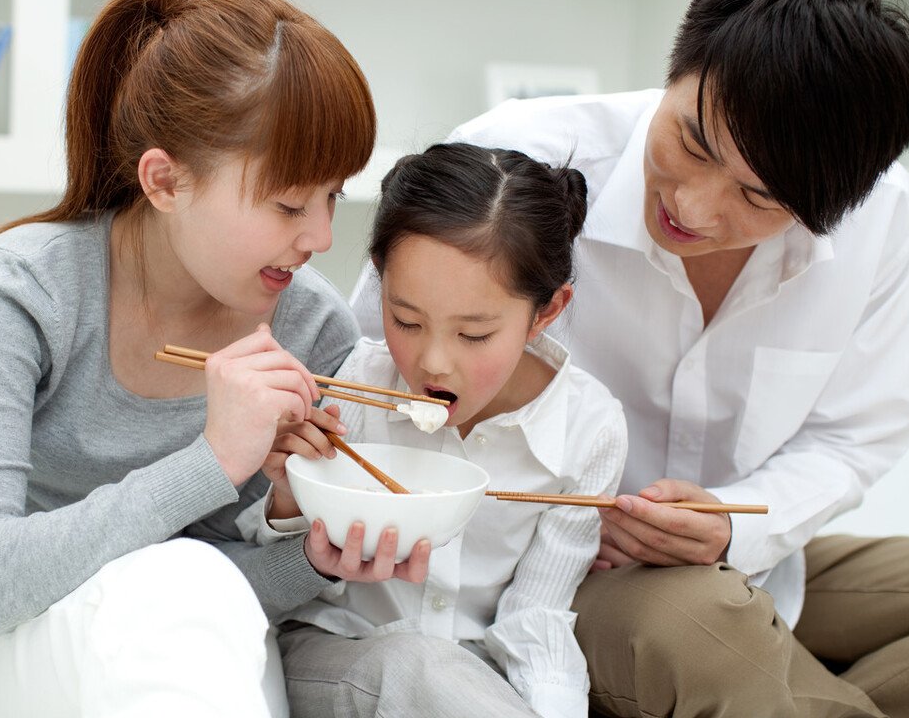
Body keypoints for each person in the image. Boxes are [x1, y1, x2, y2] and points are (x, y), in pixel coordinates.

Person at [349, 0, 909, 716]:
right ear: (676, 68)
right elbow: (376, 364)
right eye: (692, 141)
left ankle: (771, 686)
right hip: (547, 575)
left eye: (757, 196)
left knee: (733, 621)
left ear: (835, 201)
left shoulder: (885, 224)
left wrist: (731, 529)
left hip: (744, 570)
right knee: (707, 628)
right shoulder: (518, 169)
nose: (695, 206)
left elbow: (850, 440)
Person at [0, 0, 427, 718]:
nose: (319, 238)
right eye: (288, 203)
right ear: (164, 181)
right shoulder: (25, 290)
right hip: (0, 647)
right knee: (179, 583)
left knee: (188, 588)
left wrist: (310, 555)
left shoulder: (311, 331)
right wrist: (211, 462)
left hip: (175, 649)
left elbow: (227, 595)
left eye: (333, 198)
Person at [243, 143, 627, 718]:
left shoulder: (589, 430)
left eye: (474, 335)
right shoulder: (355, 385)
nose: (433, 362)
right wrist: (289, 493)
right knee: (420, 666)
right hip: (338, 654)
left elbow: (537, 617)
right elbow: (268, 565)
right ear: (380, 282)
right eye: (406, 320)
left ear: (546, 312)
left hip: (477, 679)